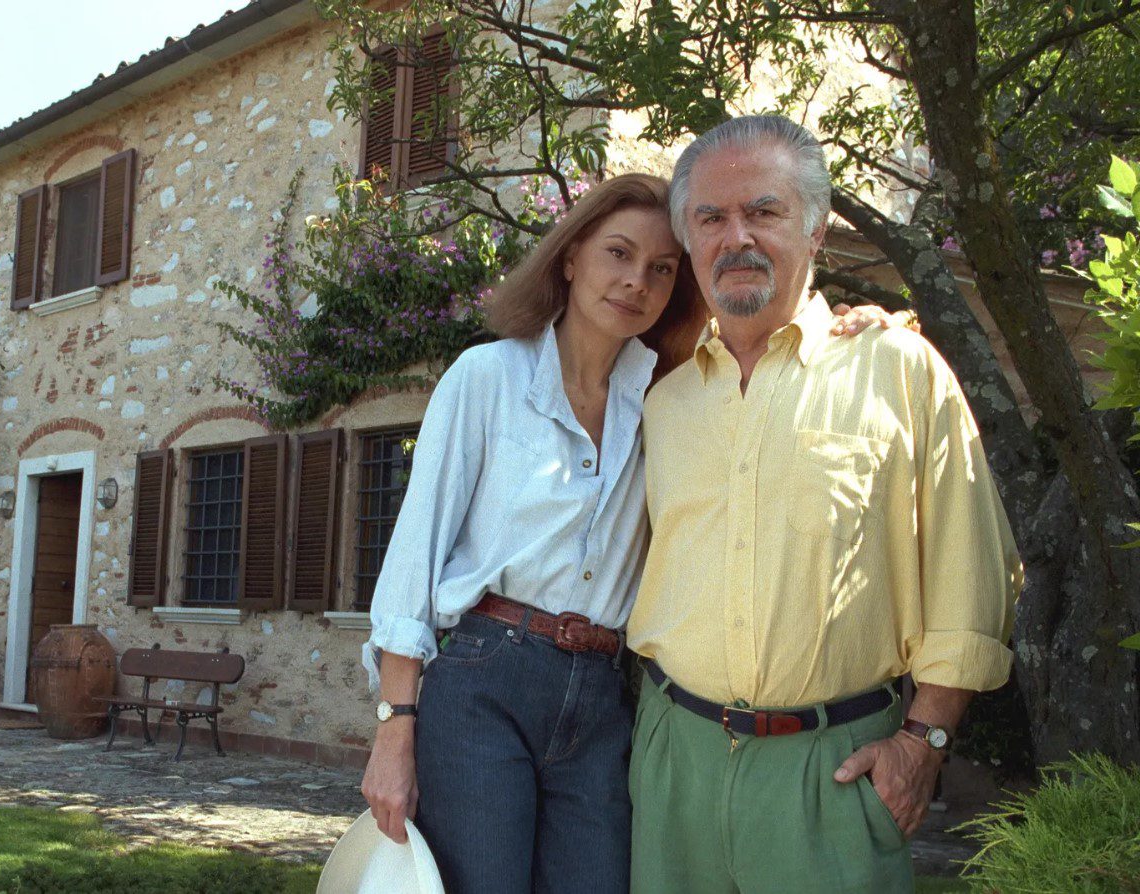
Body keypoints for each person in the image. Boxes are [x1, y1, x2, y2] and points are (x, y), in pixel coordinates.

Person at [360, 173, 905, 893]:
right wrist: (395, 729)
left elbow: (770, 353)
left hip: (603, 692)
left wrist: (852, 331)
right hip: (486, 678)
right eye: (617, 253)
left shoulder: (668, 399)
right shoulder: (486, 378)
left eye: (661, 268)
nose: (635, 281)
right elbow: (413, 557)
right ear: (569, 257)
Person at [626, 116, 1020, 893]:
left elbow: (969, 570)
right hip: (674, 760)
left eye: (763, 211)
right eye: (710, 218)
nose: (735, 236)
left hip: (834, 771)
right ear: (689, 241)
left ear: (815, 232)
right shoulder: (660, 401)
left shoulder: (898, 368)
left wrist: (925, 739)